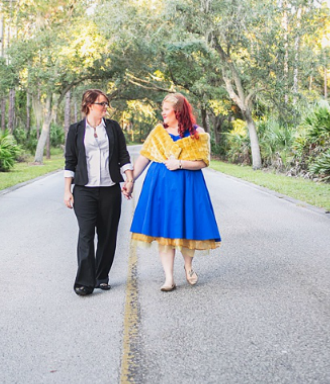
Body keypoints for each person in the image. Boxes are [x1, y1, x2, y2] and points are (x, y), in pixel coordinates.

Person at [127, 92, 221, 291]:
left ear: (177, 111)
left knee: (187, 229)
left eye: (166, 110)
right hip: (161, 187)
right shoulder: (158, 133)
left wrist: (179, 163)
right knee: (165, 232)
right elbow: (144, 158)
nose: (163, 113)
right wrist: (130, 180)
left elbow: (203, 162)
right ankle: (168, 278)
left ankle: (188, 267)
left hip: (188, 186)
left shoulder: (197, 133)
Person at [63, 89, 134, 296]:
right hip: (84, 190)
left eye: (106, 103)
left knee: (107, 235)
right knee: (86, 235)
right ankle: (85, 282)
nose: (105, 107)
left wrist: (129, 178)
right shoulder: (76, 130)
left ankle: (101, 277)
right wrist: (67, 190)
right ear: (89, 105)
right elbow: (70, 161)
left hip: (110, 189)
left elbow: (123, 156)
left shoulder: (112, 128)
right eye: (101, 103)